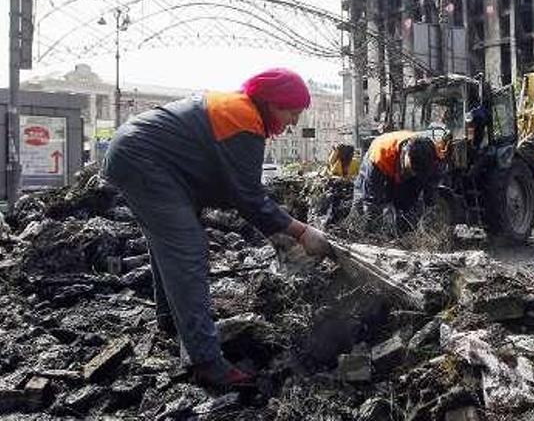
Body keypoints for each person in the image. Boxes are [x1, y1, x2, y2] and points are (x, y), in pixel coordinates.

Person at [102, 68, 332, 388]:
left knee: (168, 245)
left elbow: (232, 188)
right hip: (145, 158)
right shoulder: (243, 119)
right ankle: (207, 363)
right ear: (272, 102)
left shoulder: (239, 110)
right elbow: (248, 197)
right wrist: (301, 232)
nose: (293, 121)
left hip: (143, 155)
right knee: (187, 250)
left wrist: (280, 230)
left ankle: (170, 323)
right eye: (291, 112)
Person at [352, 130, 439, 232]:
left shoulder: (431, 158)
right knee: (364, 204)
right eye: (412, 169)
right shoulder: (380, 156)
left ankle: (403, 233)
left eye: (416, 171)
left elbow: (429, 189)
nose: (413, 173)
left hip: (401, 169)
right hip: (379, 160)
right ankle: (363, 232)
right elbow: (371, 199)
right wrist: (372, 229)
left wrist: (429, 208)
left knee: (407, 208)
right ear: (407, 153)